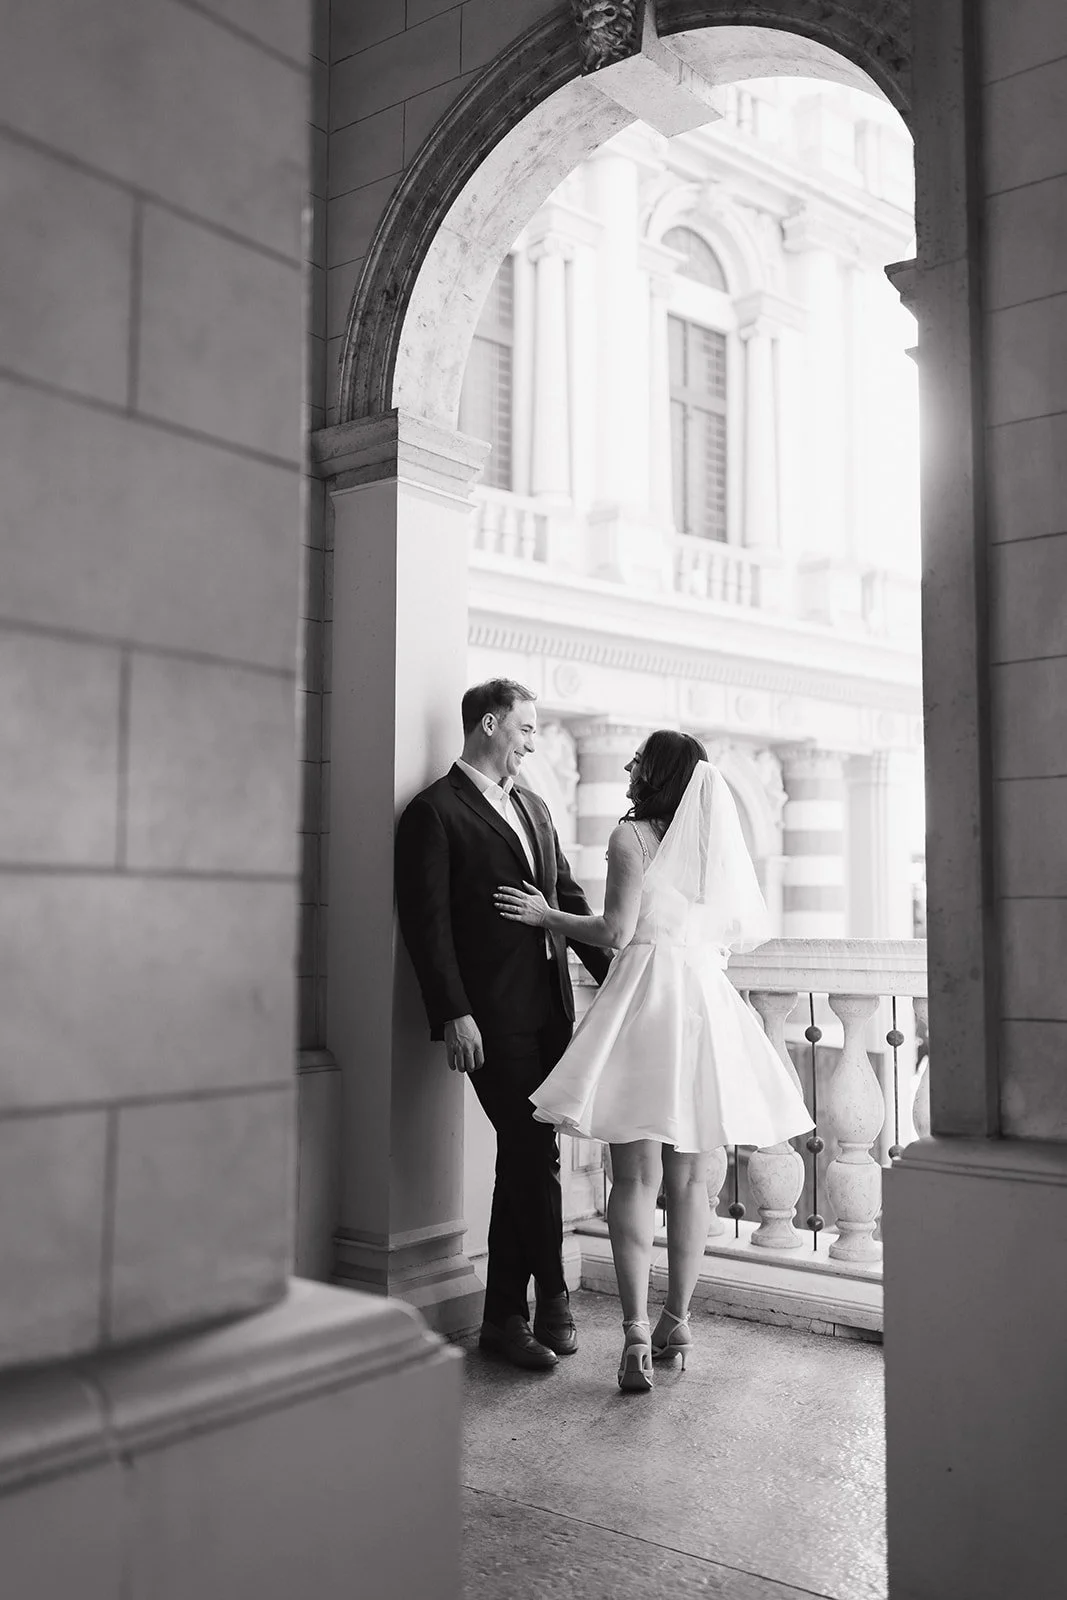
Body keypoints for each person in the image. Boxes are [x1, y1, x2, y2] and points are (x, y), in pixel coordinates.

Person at [495, 731, 813, 1393]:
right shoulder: (710, 843)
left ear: (656, 772)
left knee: (634, 1179)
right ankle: (678, 1321)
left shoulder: (630, 837)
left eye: (638, 758)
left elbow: (613, 933)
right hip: (705, 1005)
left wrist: (544, 915)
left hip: (648, 1002)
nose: (629, 765)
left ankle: (635, 1332)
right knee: (695, 1179)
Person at [395, 679, 611, 1371]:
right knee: (530, 1150)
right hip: (487, 1021)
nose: (532, 740)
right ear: (489, 724)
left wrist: (618, 973)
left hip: (549, 1013)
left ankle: (503, 1319)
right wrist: (453, 1012)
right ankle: (548, 1297)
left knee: (526, 1157)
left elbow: (564, 897)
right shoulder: (433, 813)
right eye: (525, 728)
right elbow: (427, 928)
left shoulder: (534, 806)